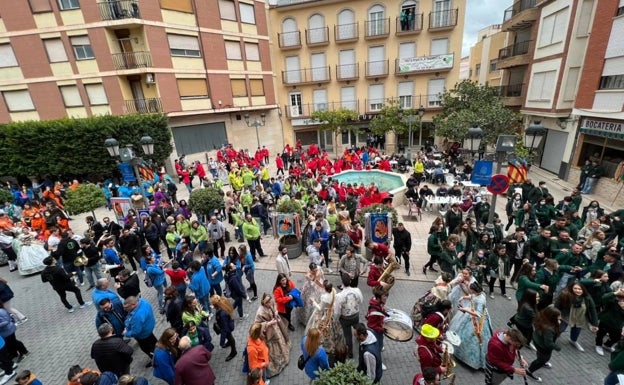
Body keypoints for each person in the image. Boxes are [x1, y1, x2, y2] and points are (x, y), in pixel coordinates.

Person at [448, 281, 493, 369]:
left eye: (471, 290)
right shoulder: (479, 293)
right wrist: (464, 297)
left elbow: (478, 314)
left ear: (474, 290)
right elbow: (472, 297)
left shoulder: (480, 300)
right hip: (471, 313)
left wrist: (465, 309)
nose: (470, 291)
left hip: (476, 321)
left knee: (473, 338)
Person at [254, 293, 291, 377]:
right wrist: (268, 323)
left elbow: (274, 308)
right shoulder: (260, 312)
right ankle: (276, 364)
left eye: (271, 302)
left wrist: (276, 312)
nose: (270, 304)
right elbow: (257, 325)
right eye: (268, 303)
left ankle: (284, 358)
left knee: (281, 341)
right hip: (269, 332)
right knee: (273, 347)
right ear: (264, 303)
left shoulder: (272, 303)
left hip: (276, 327)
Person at [555, 281, 598, 352]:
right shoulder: (565, 295)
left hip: (580, 317)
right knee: (560, 329)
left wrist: (595, 324)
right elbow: (557, 306)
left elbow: (592, 310)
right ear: (571, 288)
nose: (577, 290)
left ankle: (573, 341)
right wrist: (557, 316)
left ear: (583, 290)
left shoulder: (587, 298)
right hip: (566, 316)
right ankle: (551, 340)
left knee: (576, 331)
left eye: (580, 289)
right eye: (575, 288)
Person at [525, 306, 563, 382]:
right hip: (543, 346)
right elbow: (548, 343)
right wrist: (557, 347)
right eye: (558, 318)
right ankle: (529, 371)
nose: (560, 319)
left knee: (541, 356)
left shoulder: (541, 318)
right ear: (552, 318)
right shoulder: (549, 329)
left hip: (537, 341)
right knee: (542, 359)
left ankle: (542, 362)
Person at [334, 273, 363, 359]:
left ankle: (350, 353)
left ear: (342, 282)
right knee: (357, 328)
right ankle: (360, 340)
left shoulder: (339, 296)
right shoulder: (357, 290)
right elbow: (361, 300)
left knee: (348, 336)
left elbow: (337, 311)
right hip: (355, 315)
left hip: (345, 318)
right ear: (350, 281)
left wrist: (336, 319)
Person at [123, 296, 157, 366]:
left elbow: (136, 331)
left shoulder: (137, 316)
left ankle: (156, 360)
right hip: (148, 329)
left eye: (126, 307)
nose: (125, 309)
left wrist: (126, 333)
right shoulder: (142, 302)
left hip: (143, 335)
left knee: (147, 348)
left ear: (133, 305)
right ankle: (161, 351)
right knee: (154, 342)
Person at [595, 288, 624, 356]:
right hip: (605, 321)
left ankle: (607, 345)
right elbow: (604, 298)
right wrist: (615, 293)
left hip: (617, 324)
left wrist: (623, 308)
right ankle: (598, 345)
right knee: (600, 335)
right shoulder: (612, 299)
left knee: (616, 337)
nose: (621, 300)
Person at [296, 263, 325, 327]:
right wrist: (322, 286)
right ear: (311, 270)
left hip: (319, 287)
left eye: (316, 270)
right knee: (308, 304)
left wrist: (324, 282)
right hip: (312, 288)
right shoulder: (308, 275)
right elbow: (315, 283)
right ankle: (307, 321)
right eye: (313, 271)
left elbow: (323, 276)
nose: (315, 271)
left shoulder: (319, 268)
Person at [210, 295, 237, 361]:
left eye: (212, 304)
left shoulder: (222, 314)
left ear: (216, 305)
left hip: (227, 327)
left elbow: (224, 329)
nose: (212, 306)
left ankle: (234, 351)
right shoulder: (223, 302)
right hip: (228, 323)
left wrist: (222, 342)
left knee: (230, 337)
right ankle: (229, 343)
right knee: (229, 337)